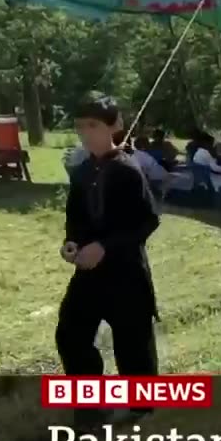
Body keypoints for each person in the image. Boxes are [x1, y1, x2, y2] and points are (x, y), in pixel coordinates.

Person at [57, 93, 161, 419]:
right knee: (71, 334)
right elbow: (75, 219)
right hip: (89, 275)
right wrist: (72, 244)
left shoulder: (128, 170)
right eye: (80, 127)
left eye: (93, 125)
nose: (86, 133)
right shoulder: (82, 171)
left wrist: (105, 246)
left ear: (114, 126)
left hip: (125, 272)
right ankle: (92, 406)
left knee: (132, 343)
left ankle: (141, 408)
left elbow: (147, 221)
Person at [190, 132, 221, 203]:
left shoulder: (199, 152)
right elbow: (215, 168)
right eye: (211, 143)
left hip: (207, 176)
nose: (212, 146)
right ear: (205, 143)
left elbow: (214, 160)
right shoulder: (205, 153)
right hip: (213, 179)